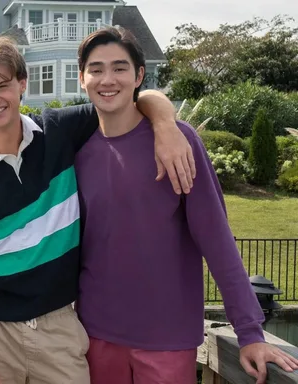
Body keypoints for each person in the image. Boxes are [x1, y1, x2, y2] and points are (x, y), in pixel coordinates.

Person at [0, 34, 195, 384]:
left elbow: (130, 98)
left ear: (22, 84)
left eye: (2, 86)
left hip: (59, 328)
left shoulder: (57, 131)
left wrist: (165, 123)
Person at [73, 26, 298, 384]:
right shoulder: (76, 147)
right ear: (82, 76)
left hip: (167, 336)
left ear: (139, 75)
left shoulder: (178, 142)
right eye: (96, 69)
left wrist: (250, 332)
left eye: (119, 67)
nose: (107, 79)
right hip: (94, 334)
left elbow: (216, 238)